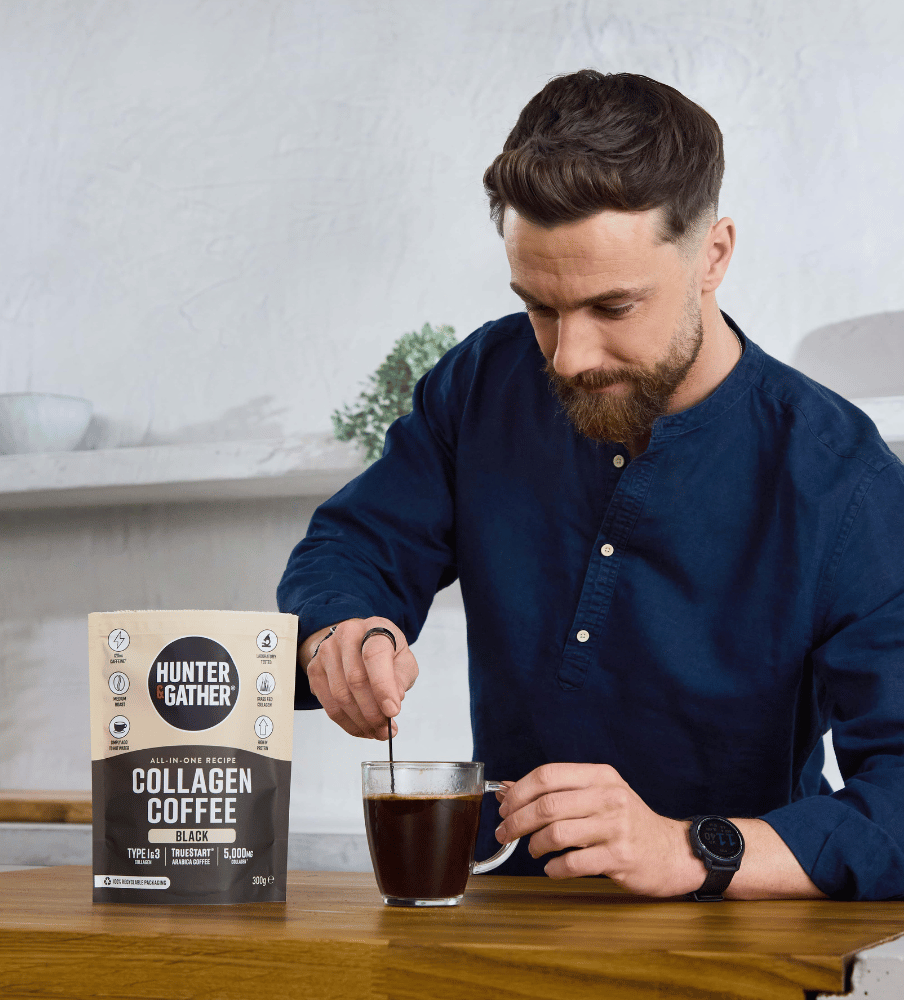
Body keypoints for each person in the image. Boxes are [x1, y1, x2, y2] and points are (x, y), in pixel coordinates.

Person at [277, 70, 904, 901]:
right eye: (541, 306)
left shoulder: (842, 479)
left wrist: (688, 848)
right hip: (501, 918)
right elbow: (356, 545)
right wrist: (341, 634)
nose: (568, 356)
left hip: (736, 942)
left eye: (614, 307)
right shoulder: (483, 382)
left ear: (713, 254)